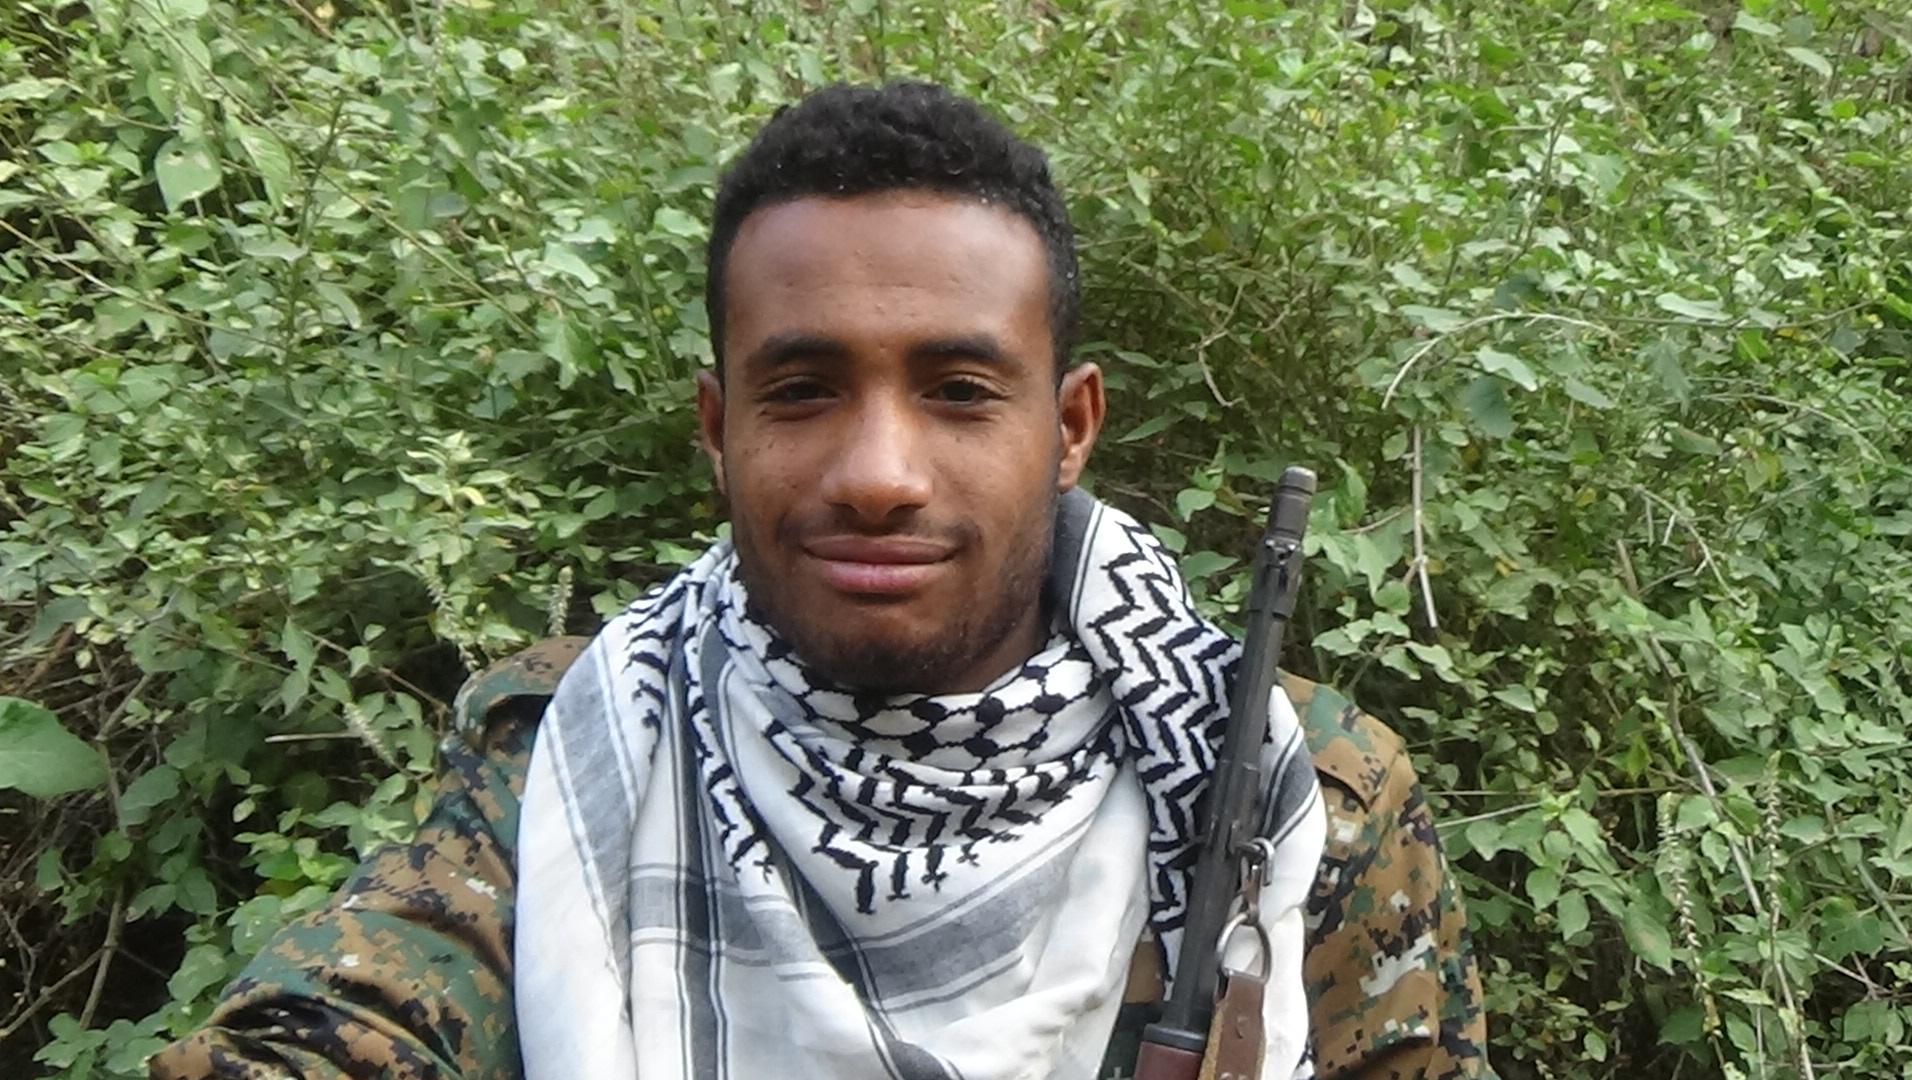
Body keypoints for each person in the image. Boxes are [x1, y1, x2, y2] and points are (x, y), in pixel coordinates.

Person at [150, 83, 1488, 1080]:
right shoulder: (579, 742)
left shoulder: (1289, 783)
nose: (879, 475)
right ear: (718, 427)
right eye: (800, 391)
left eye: (960, 391)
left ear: (1070, 426)